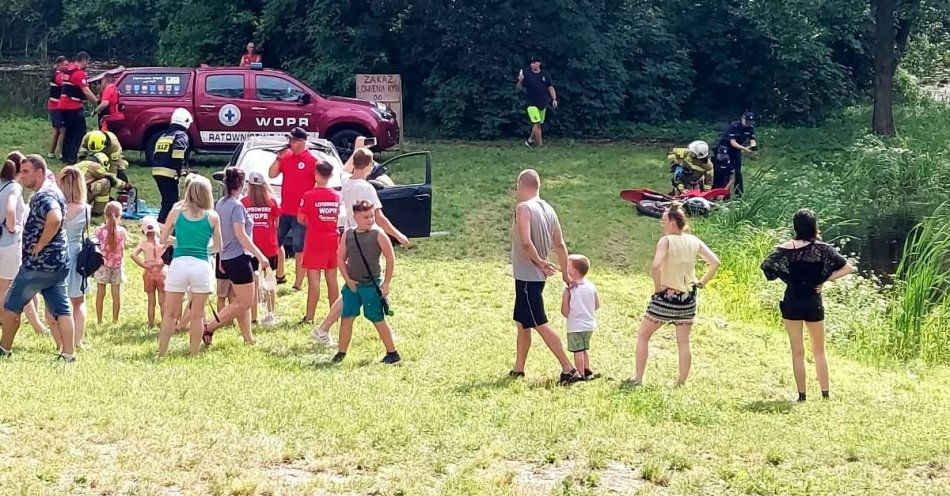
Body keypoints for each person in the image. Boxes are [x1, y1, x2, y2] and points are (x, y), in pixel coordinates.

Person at [310, 147, 410, 345]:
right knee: (364, 286)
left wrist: (359, 147)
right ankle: (324, 328)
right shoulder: (367, 189)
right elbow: (379, 217)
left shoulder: (345, 181)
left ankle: (325, 328)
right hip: (365, 240)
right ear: (370, 166)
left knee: (352, 287)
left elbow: (347, 168)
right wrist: (399, 235)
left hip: (349, 239)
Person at [761, 209, 855, 401]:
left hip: (792, 300)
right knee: (819, 351)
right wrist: (826, 279)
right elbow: (848, 267)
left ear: (795, 227)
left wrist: (788, 278)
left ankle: (802, 395)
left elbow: (767, 265)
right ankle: (825, 393)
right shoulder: (823, 249)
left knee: (797, 351)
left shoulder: (787, 247)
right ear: (814, 226)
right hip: (813, 300)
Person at [630, 202, 720, 387]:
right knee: (684, 342)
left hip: (666, 296)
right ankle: (681, 381)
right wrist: (702, 282)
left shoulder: (667, 241)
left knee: (643, 336)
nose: (662, 225)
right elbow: (715, 262)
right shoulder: (694, 241)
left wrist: (657, 287)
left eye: (663, 221)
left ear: (672, 221)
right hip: (688, 297)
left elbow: (656, 266)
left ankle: (638, 377)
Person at [0, 155, 76, 361]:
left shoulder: (43, 196)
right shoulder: (55, 190)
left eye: (26, 172)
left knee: (11, 306)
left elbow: (55, 218)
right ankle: (69, 353)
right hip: (59, 262)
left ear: (39, 172)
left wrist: (41, 243)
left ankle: (4, 348)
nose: (22, 177)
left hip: (38, 265)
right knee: (62, 308)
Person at [508, 169, 580, 384]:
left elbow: (526, 242)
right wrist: (566, 272)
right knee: (523, 322)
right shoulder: (549, 209)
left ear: (521, 185)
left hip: (528, 276)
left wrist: (539, 262)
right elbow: (559, 244)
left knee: (539, 322)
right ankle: (518, 368)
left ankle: (569, 369)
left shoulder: (523, 209)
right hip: (534, 278)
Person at [202, 168, 270, 347]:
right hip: (239, 258)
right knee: (245, 301)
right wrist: (260, 256)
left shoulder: (220, 204)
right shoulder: (237, 206)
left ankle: (248, 338)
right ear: (241, 184)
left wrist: (221, 256)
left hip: (227, 258)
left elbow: (219, 233)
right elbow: (241, 235)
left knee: (242, 301)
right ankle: (209, 326)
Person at [157, 175, 222, 356]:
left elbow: (162, 238)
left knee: (170, 313)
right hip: (201, 264)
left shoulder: (176, 212)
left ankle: (162, 351)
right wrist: (202, 247)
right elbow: (218, 246)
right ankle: (193, 352)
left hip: (179, 264)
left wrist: (179, 242)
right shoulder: (212, 216)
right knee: (197, 315)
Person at [332, 200, 400, 365]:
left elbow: (390, 258)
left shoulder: (378, 234)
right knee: (346, 318)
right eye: (365, 217)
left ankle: (392, 353)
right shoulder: (348, 234)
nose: (370, 220)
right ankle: (341, 353)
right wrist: (348, 280)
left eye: (371, 216)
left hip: (371, 285)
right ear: (355, 217)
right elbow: (340, 258)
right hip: (353, 286)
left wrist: (386, 283)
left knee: (377, 318)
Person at [0, 152, 49, 337]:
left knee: (7, 286)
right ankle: (32, 326)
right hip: (10, 244)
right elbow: (10, 209)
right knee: (14, 286)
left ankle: (36, 325)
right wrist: (12, 227)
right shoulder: (14, 188)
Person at [268, 127, 316, 291]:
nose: (290, 143)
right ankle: (278, 275)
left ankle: (298, 284)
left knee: (299, 249)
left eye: (294, 140)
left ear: (302, 142)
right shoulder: (286, 157)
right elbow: (272, 174)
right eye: (290, 140)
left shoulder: (312, 160)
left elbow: (319, 183)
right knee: (274, 243)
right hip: (284, 210)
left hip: (301, 213)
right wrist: (278, 158)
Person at [52, 166, 91, 349]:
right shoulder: (86, 210)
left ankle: (61, 341)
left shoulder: (55, 206)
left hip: (57, 252)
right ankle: (77, 341)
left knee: (56, 301)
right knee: (78, 301)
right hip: (77, 254)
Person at [242, 172, 280, 326]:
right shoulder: (272, 202)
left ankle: (253, 316)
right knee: (270, 280)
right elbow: (276, 224)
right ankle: (270, 313)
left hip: (251, 247)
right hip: (269, 246)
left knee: (253, 282)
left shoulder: (244, 202)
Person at [560, 254, 600, 381]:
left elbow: (565, 312)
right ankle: (587, 370)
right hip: (589, 325)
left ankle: (580, 375)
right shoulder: (591, 286)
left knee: (577, 350)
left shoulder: (569, 291)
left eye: (567, 267)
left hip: (575, 326)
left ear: (574, 272)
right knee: (584, 348)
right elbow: (597, 304)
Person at [152, 108, 193, 224]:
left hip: (157, 171)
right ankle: (164, 224)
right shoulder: (181, 135)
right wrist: (180, 169)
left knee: (166, 200)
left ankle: (164, 223)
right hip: (168, 172)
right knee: (172, 201)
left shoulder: (164, 135)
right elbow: (178, 152)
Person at [58, 51, 98, 164]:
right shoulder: (79, 73)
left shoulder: (69, 69)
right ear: (84, 60)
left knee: (69, 131)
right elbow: (86, 90)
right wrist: (96, 101)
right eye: (87, 63)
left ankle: (65, 156)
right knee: (80, 131)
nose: (87, 65)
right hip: (73, 106)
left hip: (62, 105)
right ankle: (72, 156)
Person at [76, 131, 126, 215]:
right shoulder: (87, 138)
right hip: (82, 196)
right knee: (104, 181)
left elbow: (113, 167)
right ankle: (98, 208)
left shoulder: (113, 145)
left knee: (111, 177)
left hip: (111, 160)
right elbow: (81, 155)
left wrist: (111, 184)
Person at [93, 201, 127, 324]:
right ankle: (115, 320)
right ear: (120, 215)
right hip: (117, 265)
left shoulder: (99, 231)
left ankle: (99, 319)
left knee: (100, 293)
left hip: (102, 265)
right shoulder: (123, 232)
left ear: (105, 215)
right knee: (116, 294)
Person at [130, 217, 166, 327]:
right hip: (161, 273)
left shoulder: (143, 243)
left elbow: (133, 255)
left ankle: (151, 323)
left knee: (151, 301)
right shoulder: (162, 243)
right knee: (162, 301)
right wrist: (162, 264)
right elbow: (168, 254)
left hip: (149, 273)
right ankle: (164, 322)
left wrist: (144, 265)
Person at [516, 57, 557, 148]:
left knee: (538, 125)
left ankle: (530, 141)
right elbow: (519, 87)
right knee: (537, 123)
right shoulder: (526, 74)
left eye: (535, 62)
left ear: (539, 63)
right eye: (531, 63)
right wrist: (520, 80)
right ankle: (540, 145)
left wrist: (554, 99)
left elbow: (550, 87)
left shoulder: (544, 74)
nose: (533, 64)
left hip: (543, 103)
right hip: (531, 103)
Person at [719, 111, 757, 196]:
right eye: (746, 121)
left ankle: (739, 194)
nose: (748, 123)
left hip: (736, 149)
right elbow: (733, 142)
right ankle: (723, 194)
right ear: (742, 119)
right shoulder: (734, 126)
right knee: (725, 170)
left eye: (750, 122)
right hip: (725, 148)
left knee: (737, 172)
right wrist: (744, 149)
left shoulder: (750, 128)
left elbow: (752, 140)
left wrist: (753, 148)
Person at [47, 56, 69, 159]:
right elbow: (66, 84)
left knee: (56, 130)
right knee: (62, 130)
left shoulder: (56, 74)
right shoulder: (59, 75)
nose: (67, 67)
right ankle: (61, 153)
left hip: (54, 106)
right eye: (66, 65)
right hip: (56, 106)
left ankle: (51, 153)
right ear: (59, 65)